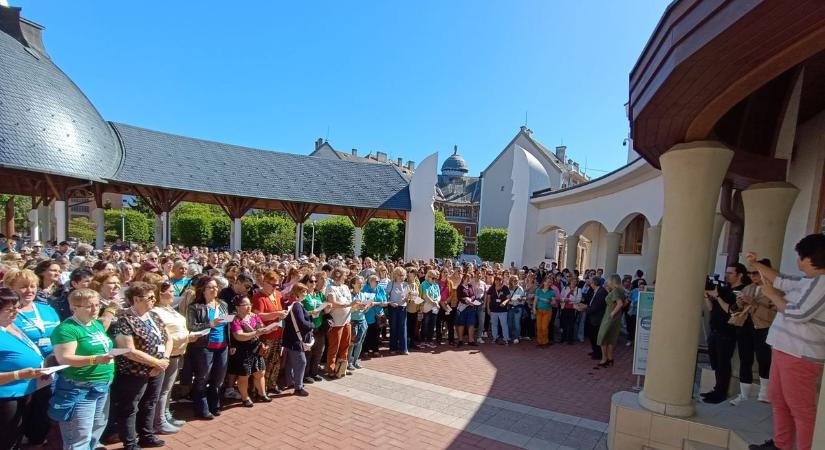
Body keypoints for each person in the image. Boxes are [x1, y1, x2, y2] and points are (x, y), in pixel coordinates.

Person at [746, 234, 825, 450]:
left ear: (812, 258)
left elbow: (799, 313)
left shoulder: (823, 284)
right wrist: (755, 264)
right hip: (783, 350)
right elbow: (779, 279)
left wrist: (771, 295)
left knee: (801, 409)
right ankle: (781, 445)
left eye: (801, 257)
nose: (798, 261)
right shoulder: (809, 281)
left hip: (800, 355)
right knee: (779, 400)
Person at [49, 289, 116, 450]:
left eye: (97, 305)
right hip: (79, 389)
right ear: (74, 307)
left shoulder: (95, 324)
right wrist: (95, 360)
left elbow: (105, 319)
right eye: (88, 306)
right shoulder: (67, 329)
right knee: (78, 438)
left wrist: (111, 309)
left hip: (101, 386)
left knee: (94, 431)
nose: (94, 309)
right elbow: (64, 358)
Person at [110, 282, 171, 449]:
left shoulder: (154, 316)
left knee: (150, 402)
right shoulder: (124, 320)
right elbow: (128, 350)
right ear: (136, 299)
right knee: (130, 406)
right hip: (134, 371)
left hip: (158, 368)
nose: (154, 300)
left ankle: (146, 435)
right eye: (150, 297)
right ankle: (130, 442)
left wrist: (164, 359)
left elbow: (168, 338)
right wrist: (155, 362)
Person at [5, 269, 61, 446]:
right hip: (20, 377)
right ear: (9, 288)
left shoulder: (47, 309)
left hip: (49, 371)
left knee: (42, 416)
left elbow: (59, 336)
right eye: (23, 287)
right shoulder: (7, 314)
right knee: (18, 423)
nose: (29, 290)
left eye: (33, 286)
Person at [0, 287, 46, 450]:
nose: (15, 313)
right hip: (5, 397)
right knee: (6, 439)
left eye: (16, 308)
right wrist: (19, 374)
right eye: (9, 310)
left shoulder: (10, 327)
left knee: (15, 437)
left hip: (23, 391)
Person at [728, 260, 776, 406]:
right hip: (745, 326)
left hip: (763, 328)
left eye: (755, 272)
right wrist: (739, 303)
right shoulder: (748, 288)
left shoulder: (775, 290)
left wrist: (754, 304)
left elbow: (774, 315)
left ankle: (765, 392)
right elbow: (735, 310)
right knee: (745, 359)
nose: (752, 276)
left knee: (764, 359)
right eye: (750, 273)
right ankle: (744, 394)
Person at [701, 263, 749, 404]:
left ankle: (721, 393)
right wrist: (707, 296)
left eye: (730, 273)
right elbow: (711, 308)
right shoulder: (724, 289)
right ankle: (716, 389)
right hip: (714, 329)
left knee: (723, 363)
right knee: (715, 362)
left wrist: (718, 297)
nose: (727, 275)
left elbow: (731, 310)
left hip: (727, 331)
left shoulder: (741, 292)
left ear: (740, 275)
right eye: (726, 272)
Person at [151, 280, 192, 433]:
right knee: (162, 390)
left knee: (167, 390)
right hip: (165, 355)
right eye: (170, 291)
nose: (173, 294)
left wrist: (188, 336)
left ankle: (166, 414)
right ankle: (158, 421)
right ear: (160, 293)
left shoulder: (170, 308)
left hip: (178, 352)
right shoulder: (155, 311)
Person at [186, 277, 230, 420]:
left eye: (216, 287)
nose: (214, 289)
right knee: (202, 377)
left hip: (222, 346)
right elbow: (191, 327)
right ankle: (202, 408)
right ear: (202, 290)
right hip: (204, 346)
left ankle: (214, 404)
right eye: (210, 287)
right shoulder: (195, 307)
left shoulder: (222, 304)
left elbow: (227, 326)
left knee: (218, 378)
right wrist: (210, 323)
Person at [228, 295, 270, 407]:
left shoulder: (254, 316)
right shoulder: (234, 319)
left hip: (256, 348)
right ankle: (245, 397)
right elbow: (239, 336)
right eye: (245, 305)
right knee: (244, 375)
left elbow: (262, 326)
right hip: (243, 350)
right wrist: (256, 332)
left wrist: (268, 329)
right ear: (237, 307)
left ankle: (262, 393)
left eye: (249, 304)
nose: (249, 307)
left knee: (260, 372)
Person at [251, 271, 288, 394]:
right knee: (264, 361)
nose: (275, 288)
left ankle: (272, 383)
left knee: (276, 359)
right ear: (265, 282)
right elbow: (257, 316)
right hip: (266, 335)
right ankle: (261, 388)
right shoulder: (258, 296)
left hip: (278, 332)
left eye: (277, 285)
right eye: (273, 285)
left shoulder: (277, 294)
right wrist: (276, 314)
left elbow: (282, 308)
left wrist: (283, 313)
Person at [282, 283, 313, 397]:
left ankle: (290, 381)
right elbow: (302, 322)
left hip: (290, 337)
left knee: (290, 361)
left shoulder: (291, 304)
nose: (305, 294)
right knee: (301, 362)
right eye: (303, 292)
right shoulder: (297, 306)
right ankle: (298, 387)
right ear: (297, 293)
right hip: (296, 339)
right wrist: (312, 324)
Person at [325, 268, 353, 378]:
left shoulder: (345, 287)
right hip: (336, 322)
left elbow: (350, 302)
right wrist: (348, 305)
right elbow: (333, 303)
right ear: (338, 276)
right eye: (344, 275)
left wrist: (357, 305)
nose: (346, 277)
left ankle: (342, 368)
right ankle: (331, 369)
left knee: (345, 345)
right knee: (334, 347)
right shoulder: (330, 287)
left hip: (347, 320)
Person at [595, 274, 626, 368]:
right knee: (611, 338)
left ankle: (604, 359)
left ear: (612, 281)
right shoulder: (621, 290)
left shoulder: (616, 290)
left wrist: (612, 313)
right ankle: (610, 358)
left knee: (602, 337)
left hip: (610, 316)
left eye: (608, 281)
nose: (607, 282)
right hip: (617, 317)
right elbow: (625, 303)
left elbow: (620, 304)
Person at [300, 273, 327, 383]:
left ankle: (314, 373)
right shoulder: (303, 296)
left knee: (318, 351)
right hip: (308, 328)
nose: (314, 284)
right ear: (305, 282)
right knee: (308, 353)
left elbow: (325, 307)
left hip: (319, 326)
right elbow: (300, 311)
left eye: (315, 281)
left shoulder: (318, 294)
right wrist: (311, 312)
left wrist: (327, 307)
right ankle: (305, 375)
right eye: (311, 281)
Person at [347, 276, 370, 370]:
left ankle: (356, 360)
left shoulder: (363, 295)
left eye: (362, 283)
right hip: (353, 321)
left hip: (363, 321)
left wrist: (367, 306)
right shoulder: (350, 295)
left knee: (360, 343)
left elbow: (365, 310)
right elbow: (349, 310)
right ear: (353, 284)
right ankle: (349, 362)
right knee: (352, 343)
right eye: (359, 283)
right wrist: (357, 307)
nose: (361, 285)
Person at [385, 267, 410, 354]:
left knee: (403, 328)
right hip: (393, 308)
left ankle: (404, 348)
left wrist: (409, 298)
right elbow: (386, 297)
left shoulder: (406, 284)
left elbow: (408, 299)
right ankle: (393, 348)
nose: (402, 277)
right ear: (395, 275)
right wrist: (390, 303)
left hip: (403, 308)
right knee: (393, 328)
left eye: (403, 275)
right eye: (400, 275)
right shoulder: (390, 284)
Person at [362, 274, 387, 358]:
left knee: (376, 333)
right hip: (368, 314)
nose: (378, 282)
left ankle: (375, 350)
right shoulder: (365, 288)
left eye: (378, 281)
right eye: (376, 281)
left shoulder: (380, 288)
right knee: (367, 333)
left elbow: (385, 302)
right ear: (370, 281)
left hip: (379, 314)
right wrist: (372, 303)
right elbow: (363, 302)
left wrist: (375, 303)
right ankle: (365, 350)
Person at [487, 275, 511, 345]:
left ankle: (506, 339)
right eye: (496, 280)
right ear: (494, 281)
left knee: (504, 325)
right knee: (494, 325)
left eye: (499, 280)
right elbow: (488, 299)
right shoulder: (491, 288)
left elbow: (509, 298)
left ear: (502, 281)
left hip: (503, 310)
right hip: (493, 310)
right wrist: (488, 308)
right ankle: (495, 338)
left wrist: (504, 302)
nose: (498, 281)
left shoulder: (505, 288)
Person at [454, 273, 477, 347]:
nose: (469, 280)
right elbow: (459, 297)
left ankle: (471, 340)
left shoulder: (470, 286)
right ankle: (460, 340)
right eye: (467, 278)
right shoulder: (460, 287)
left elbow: (474, 295)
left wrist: (471, 300)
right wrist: (466, 301)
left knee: (471, 323)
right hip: (462, 308)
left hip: (470, 308)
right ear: (463, 278)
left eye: (470, 278)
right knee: (461, 324)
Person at [419, 270, 440, 348]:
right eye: (433, 278)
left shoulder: (436, 285)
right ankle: (422, 341)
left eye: (436, 278)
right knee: (425, 324)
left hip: (435, 307)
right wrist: (434, 303)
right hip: (427, 306)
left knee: (432, 324)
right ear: (428, 277)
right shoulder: (424, 284)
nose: (434, 280)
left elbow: (439, 295)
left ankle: (429, 340)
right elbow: (425, 296)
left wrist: (437, 302)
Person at [534, 276, 556, 347]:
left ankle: (545, 342)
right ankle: (540, 341)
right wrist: (533, 308)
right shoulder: (538, 290)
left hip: (547, 311)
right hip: (539, 311)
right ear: (544, 282)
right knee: (539, 327)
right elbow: (535, 301)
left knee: (544, 327)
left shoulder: (552, 292)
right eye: (547, 281)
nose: (548, 283)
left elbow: (554, 302)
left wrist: (549, 301)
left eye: (549, 282)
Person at [559, 273, 581, 345]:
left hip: (573, 309)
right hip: (564, 308)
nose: (574, 283)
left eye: (575, 281)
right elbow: (561, 297)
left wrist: (570, 299)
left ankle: (570, 340)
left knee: (571, 325)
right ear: (570, 281)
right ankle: (563, 338)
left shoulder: (579, 289)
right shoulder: (565, 288)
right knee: (564, 324)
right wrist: (564, 299)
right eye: (572, 281)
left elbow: (578, 300)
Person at [507, 275, 525, 344]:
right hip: (510, 307)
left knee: (517, 323)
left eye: (517, 280)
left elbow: (523, 299)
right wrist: (510, 300)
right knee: (509, 323)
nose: (515, 281)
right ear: (511, 281)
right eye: (514, 280)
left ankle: (516, 337)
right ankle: (510, 336)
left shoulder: (520, 288)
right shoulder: (508, 288)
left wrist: (520, 300)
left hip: (518, 308)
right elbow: (506, 299)